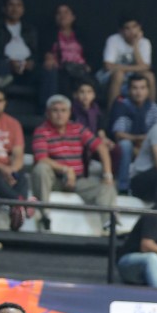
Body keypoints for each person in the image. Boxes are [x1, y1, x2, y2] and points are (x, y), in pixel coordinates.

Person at [31, 94, 116, 232]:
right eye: (55, 110)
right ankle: (44, 216)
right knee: (41, 168)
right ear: (48, 113)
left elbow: (101, 147)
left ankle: (109, 225)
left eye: (63, 110)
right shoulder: (41, 131)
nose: (59, 114)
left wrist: (108, 174)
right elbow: (41, 158)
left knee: (107, 187)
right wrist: (66, 170)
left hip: (78, 181)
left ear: (69, 113)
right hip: (54, 180)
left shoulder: (78, 128)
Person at [108, 73, 157, 193]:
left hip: (148, 146)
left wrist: (143, 142)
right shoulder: (122, 106)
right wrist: (138, 138)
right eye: (135, 88)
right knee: (125, 145)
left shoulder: (155, 109)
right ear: (129, 90)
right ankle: (123, 187)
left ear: (148, 90)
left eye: (142, 88)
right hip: (128, 147)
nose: (139, 92)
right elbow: (119, 134)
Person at [0, 84, 31, 230]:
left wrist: (11, 170)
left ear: (5, 103)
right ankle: (20, 202)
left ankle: (17, 208)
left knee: (21, 174)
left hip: (6, 169)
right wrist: (3, 168)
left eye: (0, 101)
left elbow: (18, 154)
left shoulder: (13, 123)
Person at [96, 15, 155, 110]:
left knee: (149, 76)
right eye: (127, 28)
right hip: (109, 77)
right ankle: (113, 112)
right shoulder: (113, 40)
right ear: (121, 31)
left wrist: (135, 45)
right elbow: (108, 65)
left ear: (140, 28)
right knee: (119, 74)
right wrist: (136, 68)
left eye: (134, 27)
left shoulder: (145, 42)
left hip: (132, 76)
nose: (132, 31)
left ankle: (151, 111)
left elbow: (146, 67)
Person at [39, 2, 94, 101]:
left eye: (66, 12)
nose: (62, 16)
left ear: (73, 17)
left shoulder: (81, 35)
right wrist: (48, 57)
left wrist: (88, 66)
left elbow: (90, 55)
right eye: (59, 13)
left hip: (79, 70)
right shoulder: (49, 34)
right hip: (60, 70)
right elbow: (44, 52)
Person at [0, 0, 38, 92]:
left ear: (23, 10)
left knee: (48, 70)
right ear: (4, 9)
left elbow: (35, 51)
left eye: (18, 5)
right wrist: (9, 61)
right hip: (4, 65)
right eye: (11, 5)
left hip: (25, 68)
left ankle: (49, 102)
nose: (15, 9)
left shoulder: (29, 29)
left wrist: (29, 62)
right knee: (1, 64)